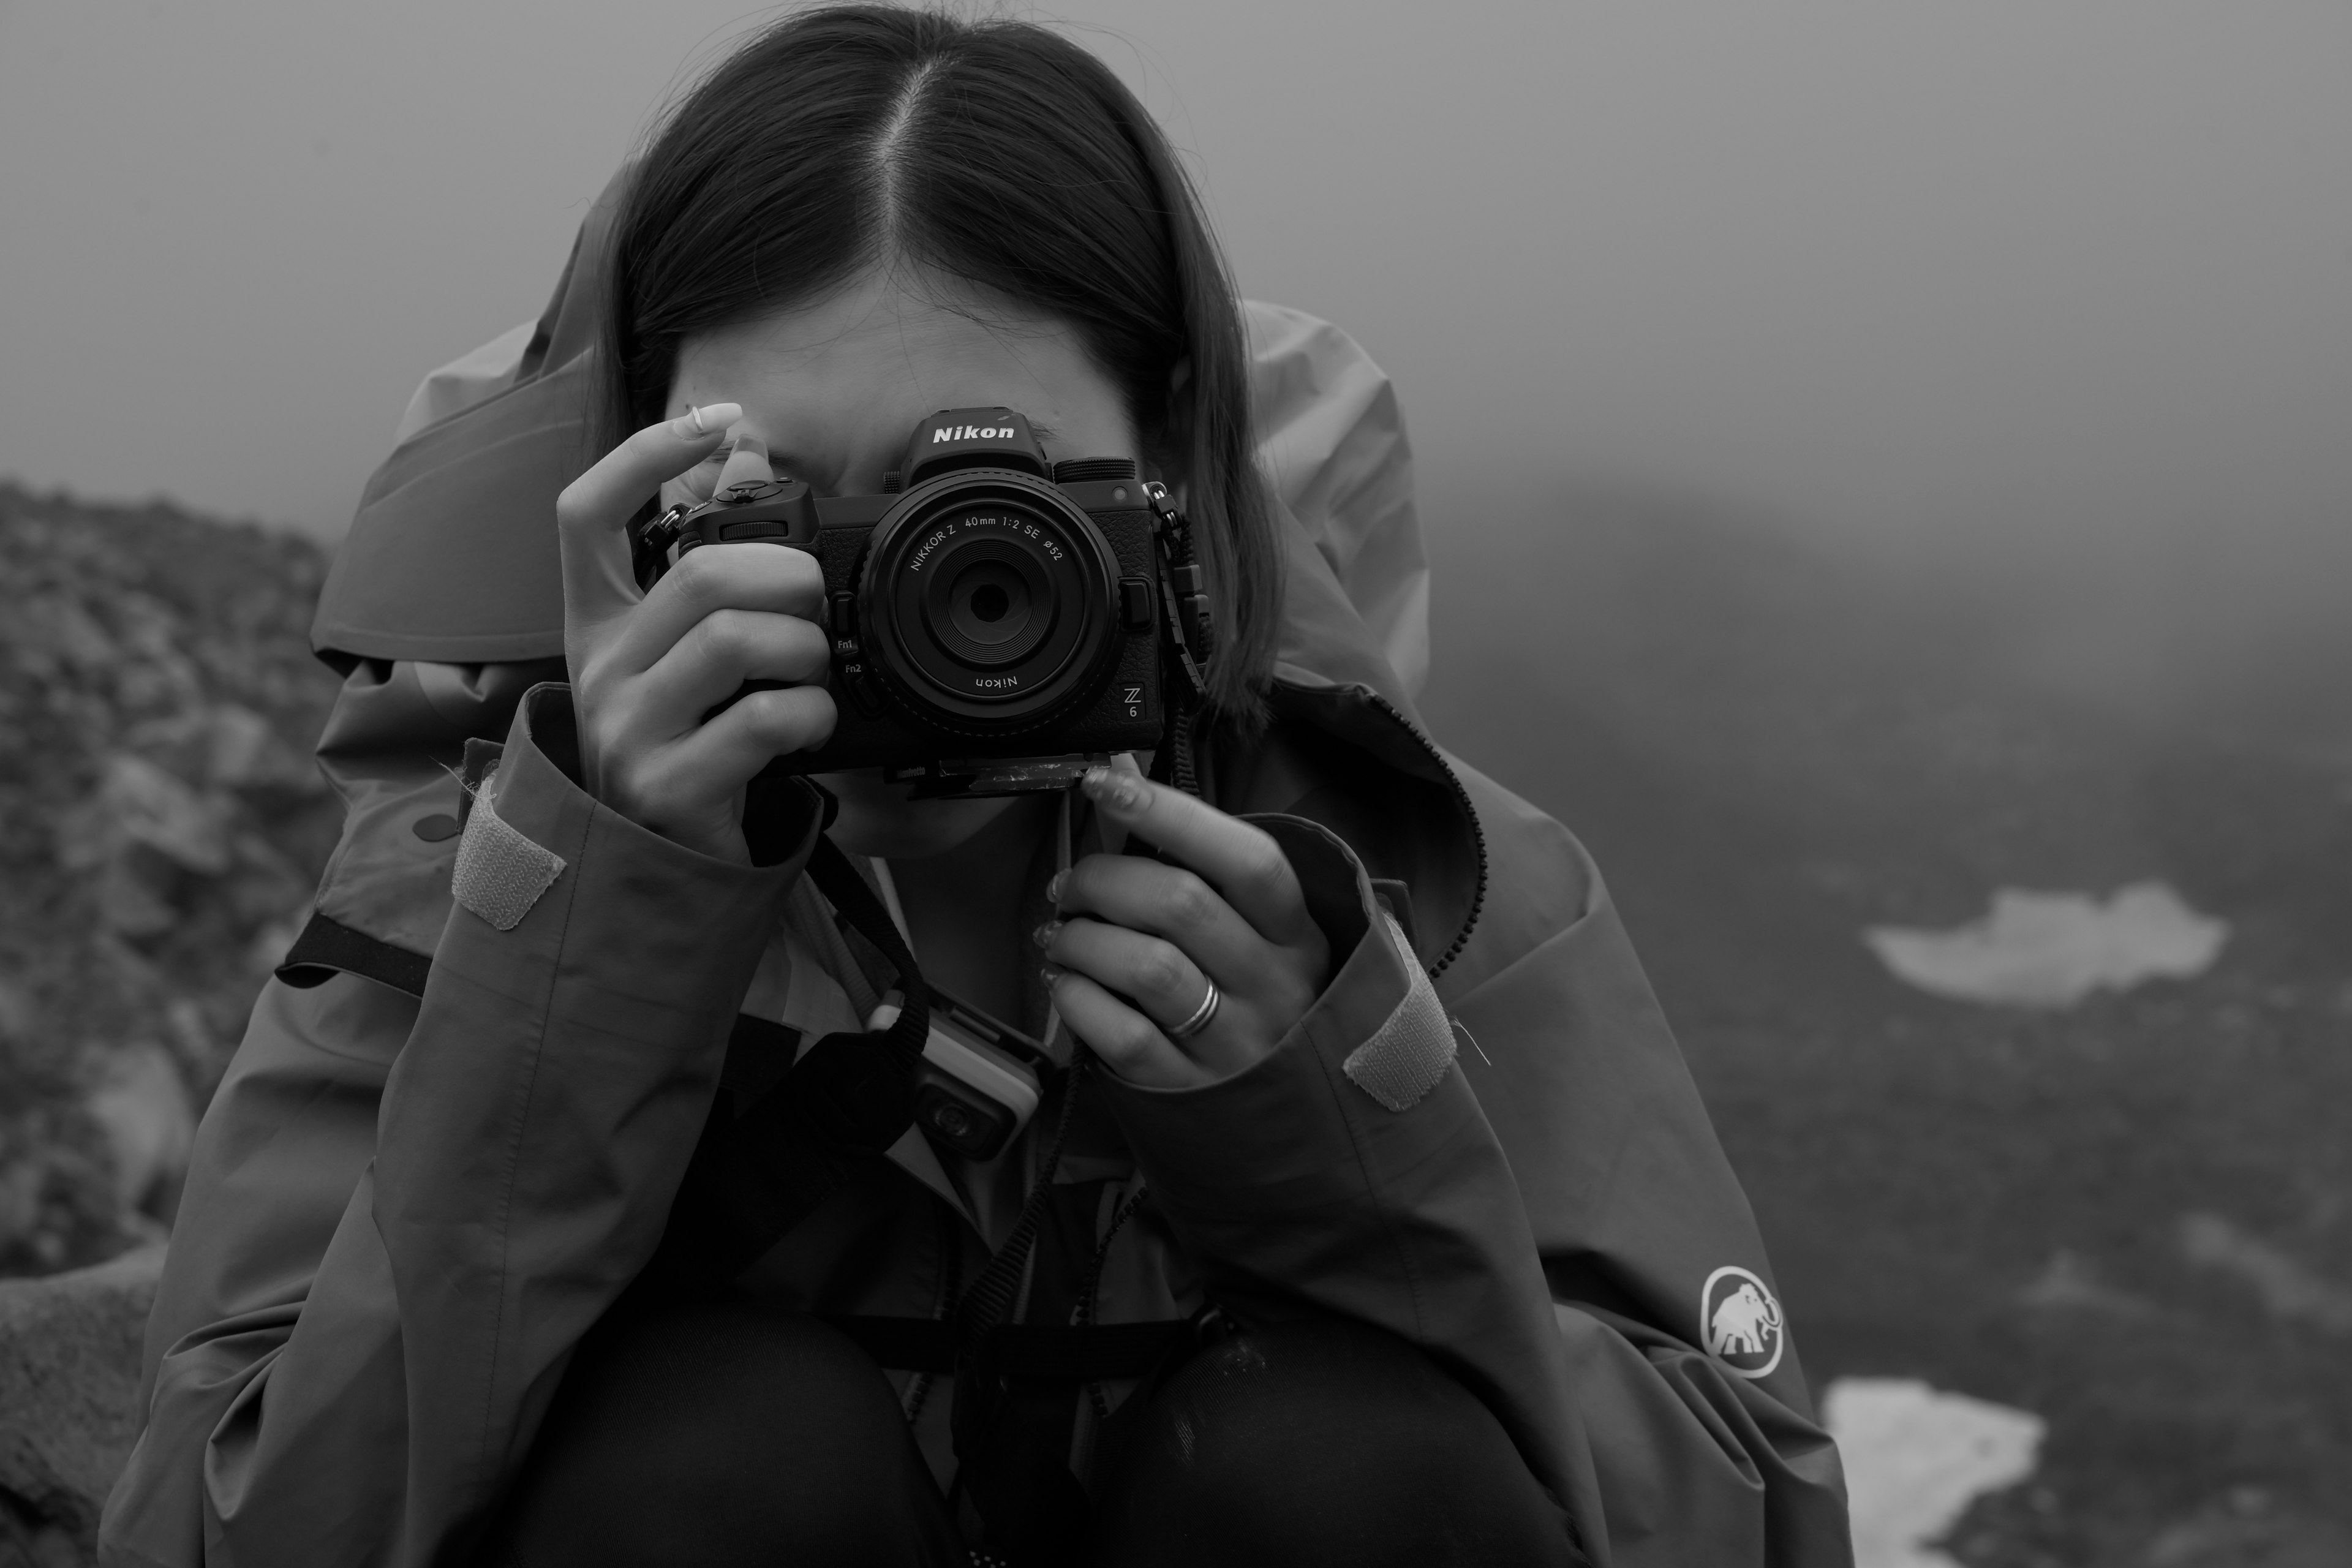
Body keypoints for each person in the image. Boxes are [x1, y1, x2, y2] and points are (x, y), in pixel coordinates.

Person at [100, 9, 1851, 1567]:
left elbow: (1751, 1511)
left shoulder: (1416, 871)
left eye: (993, 497)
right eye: (765, 497)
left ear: (1173, 449)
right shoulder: (478, 869)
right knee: (712, 1462)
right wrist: (595, 932)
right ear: (620, 472)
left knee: (1333, 1472)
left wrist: (1328, 1141)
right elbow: (208, 1531)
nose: (902, 594)